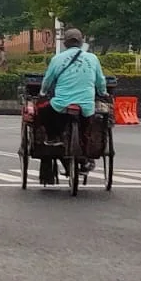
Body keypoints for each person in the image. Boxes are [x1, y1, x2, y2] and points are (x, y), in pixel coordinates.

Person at [36, 27, 107, 184]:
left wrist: (42, 92)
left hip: (61, 105)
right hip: (86, 106)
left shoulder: (57, 59)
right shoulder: (92, 58)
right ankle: (85, 156)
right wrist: (103, 92)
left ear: (66, 44)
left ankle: (53, 137)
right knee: (88, 127)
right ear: (81, 42)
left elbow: (48, 80)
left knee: (41, 111)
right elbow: (100, 81)